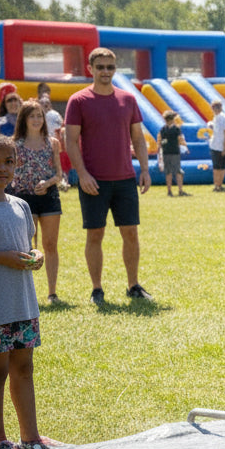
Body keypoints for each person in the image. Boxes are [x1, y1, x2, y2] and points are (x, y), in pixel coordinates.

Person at [64, 48, 153, 304]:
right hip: (93, 181)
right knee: (95, 235)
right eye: (100, 67)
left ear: (115, 69)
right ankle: (96, 289)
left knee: (131, 233)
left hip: (125, 179)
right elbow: (70, 141)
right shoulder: (78, 101)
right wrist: (82, 174)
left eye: (110, 67)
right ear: (91, 69)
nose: (105, 72)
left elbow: (138, 138)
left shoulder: (128, 99)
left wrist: (145, 169)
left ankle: (133, 285)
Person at [0, 134, 62, 449]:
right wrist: (1, 257)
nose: (2, 169)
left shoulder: (21, 205)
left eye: (8, 162)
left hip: (23, 305)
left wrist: (34, 254)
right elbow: (6, 252)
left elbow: (29, 243)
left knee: (24, 368)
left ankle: (30, 437)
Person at [9, 103, 63, 304]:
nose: (36, 120)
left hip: (48, 198)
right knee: (27, 247)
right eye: (32, 116)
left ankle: (52, 292)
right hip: (23, 199)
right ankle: (26, 294)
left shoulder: (52, 143)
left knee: (50, 245)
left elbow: (59, 173)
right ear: (24, 118)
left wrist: (47, 183)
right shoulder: (14, 144)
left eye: (39, 115)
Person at [159, 111, 190, 197]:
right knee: (178, 171)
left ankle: (169, 190)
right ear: (172, 119)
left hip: (166, 152)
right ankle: (180, 190)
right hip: (175, 152)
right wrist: (185, 147)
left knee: (168, 172)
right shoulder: (176, 129)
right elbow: (180, 139)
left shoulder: (163, 129)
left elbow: (160, 141)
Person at [208, 100, 225, 192]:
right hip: (215, 145)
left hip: (221, 145)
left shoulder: (223, 118)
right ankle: (216, 184)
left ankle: (219, 184)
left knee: (220, 166)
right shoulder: (216, 117)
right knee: (216, 166)